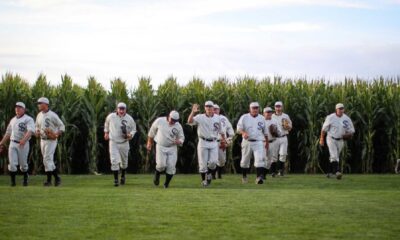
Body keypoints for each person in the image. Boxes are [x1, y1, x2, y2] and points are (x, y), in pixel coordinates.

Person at [188, 101, 226, 187]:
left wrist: (223, 140)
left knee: (213, 162)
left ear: (213, 108)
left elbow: (221, 131)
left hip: (213, 142)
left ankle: (209, 174)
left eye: (210, 107)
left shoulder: (218, 118)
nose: (208, 108)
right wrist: (193, 112)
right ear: (205, 108)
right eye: (207, 107)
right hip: (203, 141)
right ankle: (204, 181)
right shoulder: (200, 117)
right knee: (202, 164)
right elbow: (190, 121)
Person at [147, 110, 185, 188]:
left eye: (175, 120)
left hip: (172, 148)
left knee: (171, 167)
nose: (173, 122)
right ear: (168, 116)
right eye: (172, 120)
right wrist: (149, 143)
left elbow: (182, 137)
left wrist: (179, 141)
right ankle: (157, 175)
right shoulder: (160, 121)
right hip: (160, 146)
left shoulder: (178, 126)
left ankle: (166, 184)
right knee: (161, 165)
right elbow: (152, 131)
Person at [0, 102, 35, 186]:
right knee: (12, 164)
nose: (17, 109)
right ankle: (13, 183)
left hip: (23, 144)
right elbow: (8, 133)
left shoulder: (28, 119)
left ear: (24, 109)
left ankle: (25, 176)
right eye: (16, 107)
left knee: (23, 165)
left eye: (20, 107)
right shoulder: (13, 120)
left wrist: (24, 139)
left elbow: (30, 131)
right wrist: (1, 143)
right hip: (13, 143)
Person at [104, 102, 136, 186]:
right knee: (114, 161)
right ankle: (115, 180)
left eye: (123, 109)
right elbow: (106, 124)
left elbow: (134, 129)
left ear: (125, 110)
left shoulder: (129, 118)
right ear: (117, 109)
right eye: (120, 109)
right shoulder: (111, 116)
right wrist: (106, 132)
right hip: (113, 141)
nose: (121, 111)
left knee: (124, 162)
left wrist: (130, 135)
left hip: (124, 142)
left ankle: (123, 175)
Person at [320, 103, 355, 180]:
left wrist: (348, 135)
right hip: (331, 138)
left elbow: (352, 130)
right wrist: (322, 139)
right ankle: (337, 172)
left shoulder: (346, 119)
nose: (341, 110)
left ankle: (329, 172)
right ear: (336, 109)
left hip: (341, 140)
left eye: (342, 108)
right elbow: (324, 129)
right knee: (334, 155)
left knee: (334, 157)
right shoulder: (330, 117)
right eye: (339, 109)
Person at [237, 102, 269, 184]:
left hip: (258, 141)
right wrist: (243, 133)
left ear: (259, 109)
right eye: (253, 108)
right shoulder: (244, 117)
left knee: (259, 159)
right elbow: (238, 129)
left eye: (256, 108)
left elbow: (265, 131)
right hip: (247, 141)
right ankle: (244, 176)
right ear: (250, 109)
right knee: (244, 161)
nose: (255, 109)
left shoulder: (262, 118)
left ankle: (259, 178)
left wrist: (267, 142)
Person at [35, 97, 65, 186]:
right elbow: (36, 125)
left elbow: (62, 126)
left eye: (40, 103)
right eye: (38, 103)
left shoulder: (52, 115)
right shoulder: (39, 115)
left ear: (46, 104)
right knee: (46, 160)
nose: (38, 105)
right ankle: (56, 178)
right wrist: (36, 130)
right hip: (42, 140)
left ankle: (49, 181)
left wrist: (56, 134)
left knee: (47, 159)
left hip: (51, 140)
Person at [212, 104, 234, 179]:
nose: (215, 110)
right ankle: (213, 174)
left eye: (216, 109)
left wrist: (228, 140)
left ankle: (219, 172)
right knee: (213, 159)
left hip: (222, 141)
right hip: (212, 141)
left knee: (222, 160)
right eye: (213, 109)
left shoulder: (223, 118)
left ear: (219, 110)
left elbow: (230, 129)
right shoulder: (209, 118)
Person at [271, 101, 292, 176]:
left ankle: (280, 170)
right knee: (274, 155)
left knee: (283, 154)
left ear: (282, 107)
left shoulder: (286, 116)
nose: (278, 108)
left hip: (283, 137)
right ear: (274, 107)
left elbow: (290, 127)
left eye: (279, 106)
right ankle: (273, 171)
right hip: (274, 138)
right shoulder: (271, 116)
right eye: (276, 106)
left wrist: (287, 127)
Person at [263, 107, 282, 178]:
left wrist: (277, 132)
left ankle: (263, 174)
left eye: (270, 112)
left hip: (272, 142)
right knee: (262, 158)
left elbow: (280, 132)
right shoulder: (261, 120)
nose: (269, 113)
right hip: (262, 142)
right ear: (263, 113)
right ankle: (260, 174)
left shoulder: (274, 121)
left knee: (269, 160)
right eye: (267, 112)